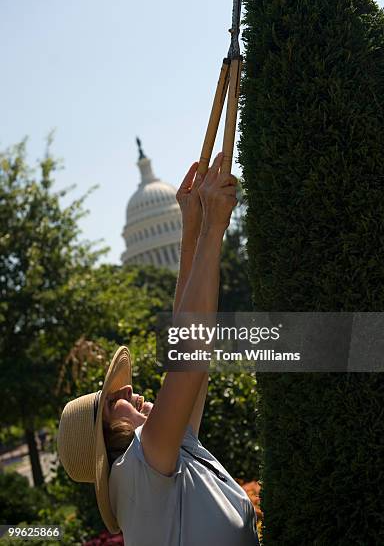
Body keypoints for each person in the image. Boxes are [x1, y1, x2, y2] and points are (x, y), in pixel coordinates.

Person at [57, 152, 260, 546]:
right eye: (117, 399)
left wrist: (193, 229)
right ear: (110, 437)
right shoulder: (140, 467)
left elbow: (186, 344)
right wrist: (213, 229)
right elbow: (192, 353)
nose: (132, 391)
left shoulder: (160, 459)